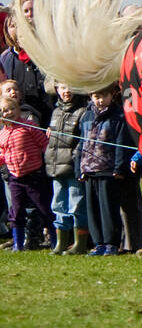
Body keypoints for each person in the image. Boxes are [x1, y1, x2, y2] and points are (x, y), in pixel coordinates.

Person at [77, 87, 132, 256]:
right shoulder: (86, 116)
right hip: (88, 170)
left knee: (108, 208)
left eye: (104, 96)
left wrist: (119, 167)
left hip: (108, 171)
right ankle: (98, 242)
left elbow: (122, 143)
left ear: (111, 96)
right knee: (92, 210)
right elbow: (81, 144)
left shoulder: (118, 116)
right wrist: (78, 167)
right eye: (96, 96)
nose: (100, 100)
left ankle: (111, 243)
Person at [0, 90, 53, 253]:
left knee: (44, 208)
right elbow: (3, 153)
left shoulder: (29, 126)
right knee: (15, 212)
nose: (8, 113)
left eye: (11, 109)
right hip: (14, 177)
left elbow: (44, 144)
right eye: (3, 111)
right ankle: (18, 244)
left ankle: (55, 239)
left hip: (33, 175)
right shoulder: (2, 134)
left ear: (18, 109)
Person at [45, 82, 88, 254]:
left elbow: (83, 140)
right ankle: (61, 243)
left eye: (70, 87)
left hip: (72, 167)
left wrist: (75, 159)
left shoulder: (82, 111)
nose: (66, 91)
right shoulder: (55, 112)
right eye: (62, 88)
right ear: (57, 90)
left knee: (76, 205)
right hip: (55, 167)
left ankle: (80, 244)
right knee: (58, 204)